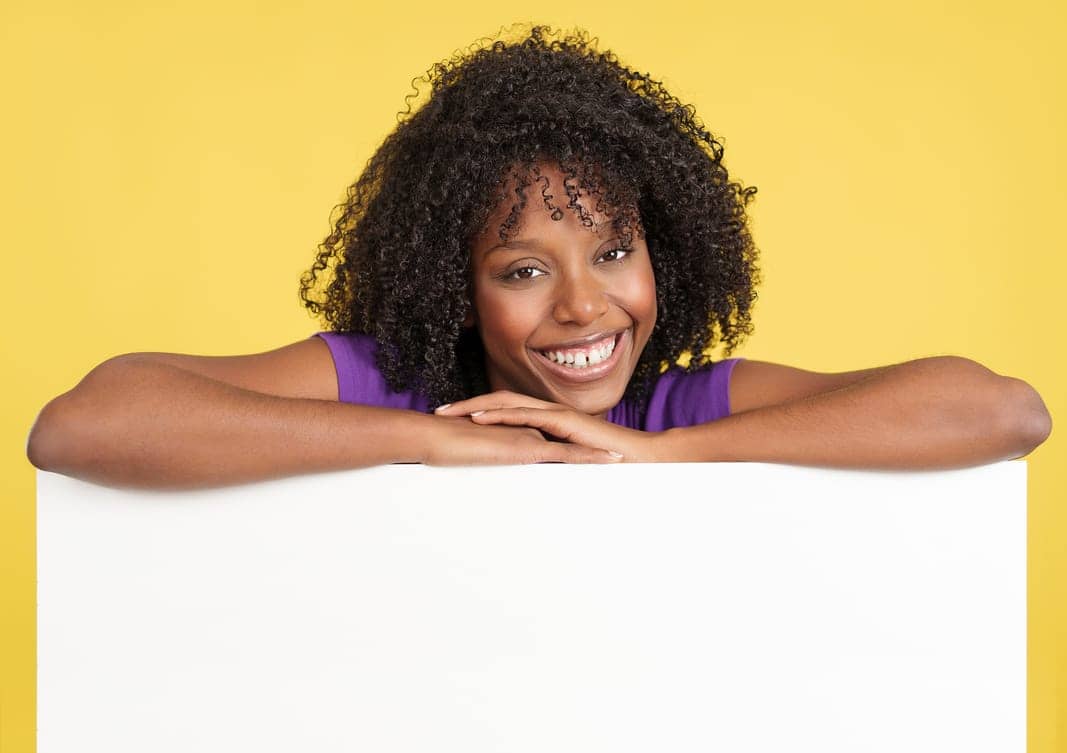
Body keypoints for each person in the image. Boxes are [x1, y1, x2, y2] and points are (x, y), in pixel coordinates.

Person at [27, 24, 1051, 488]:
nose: (581, 305)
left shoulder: (675, 409)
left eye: (612, 250)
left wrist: (653, 456)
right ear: (451, 286)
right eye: (520, 269)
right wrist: (439, 444)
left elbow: (1001, 410)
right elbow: (83, 425)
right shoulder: (384, 386)